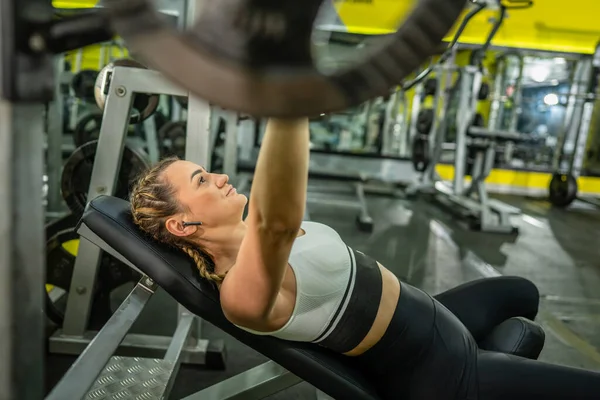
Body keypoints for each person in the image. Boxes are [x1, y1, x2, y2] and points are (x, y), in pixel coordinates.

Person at [130, 118, 600, 399]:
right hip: (441, 373)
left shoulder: (256, 233)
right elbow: (277, 220)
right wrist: (286, 102)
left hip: (437, 317)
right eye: (200, 181)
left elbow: (273, 218)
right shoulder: (242, 293)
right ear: (182, 225)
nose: (220, 175)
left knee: (521, 292)